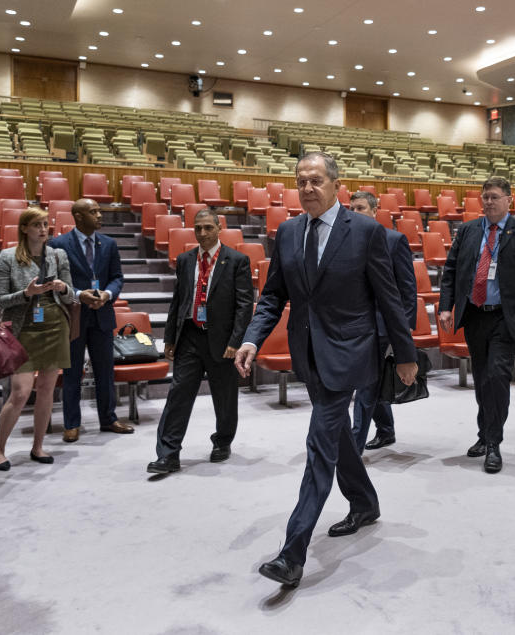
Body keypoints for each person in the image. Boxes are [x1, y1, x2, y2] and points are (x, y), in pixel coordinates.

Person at [234, 152, 418, 588]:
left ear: (337, 185)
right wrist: (250, 338)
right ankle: (365, 501)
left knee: (319, 443)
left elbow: (389, 299)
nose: (307, 188)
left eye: (316, 181)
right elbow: (274, 295)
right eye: (301, 182)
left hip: (351, 351)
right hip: (309, 353)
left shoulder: (368, 232)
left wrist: (406, 353)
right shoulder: (290, 231)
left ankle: (292, 553)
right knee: (336, 437)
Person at [438, 176, 515, 473]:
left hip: (505, 316)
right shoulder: (469, 230)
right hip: (475, 314)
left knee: (498, 376)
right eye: (485, 196)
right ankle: (483, 434)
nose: (488, 201)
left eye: (494, 196)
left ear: (508, 200)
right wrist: (446, 306)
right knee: (483, 377)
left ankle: (494, 443)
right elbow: (451, 270)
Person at [146, 209, 254, 473]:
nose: (203, 233)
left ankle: (222, 441)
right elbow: (178, 301)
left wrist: (236, 340)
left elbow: (244, 304)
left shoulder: (237, 260)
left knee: (225, 396)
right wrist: (170, 337)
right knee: (179, 394)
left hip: (222, 340)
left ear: (219, 227)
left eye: (208, 227)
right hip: (190, 336)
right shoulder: (185, 260)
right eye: (198, 229)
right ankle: (168, 454)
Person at [0, 208, 75, 469]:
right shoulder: (7, 257)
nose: (43, 229)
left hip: (54, 326)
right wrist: (26, 294)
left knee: (47, 390)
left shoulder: (57, 255)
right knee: (20, 393)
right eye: (37, 224)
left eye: (45, 224)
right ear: (24, 228)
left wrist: (63, 288)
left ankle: (38, 447)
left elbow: (71, 295)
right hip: (23, 329)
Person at [49, 198, 129, 441]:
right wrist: (77, 295)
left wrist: (107, 293)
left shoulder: (109, 243)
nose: (99, 215)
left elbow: (117, 277)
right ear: (78, 216)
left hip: (102, 314)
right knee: (72, 370)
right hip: (73, 315)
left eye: (99, 210)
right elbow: (52, 281)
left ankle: (109, 418)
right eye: (92, 212)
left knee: (106, 370)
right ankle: (71, 423)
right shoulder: (58, 244)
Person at [347, 191, 418, 453]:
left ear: (375, 211)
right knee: (371, 382)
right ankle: (386, 429)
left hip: (381, 327)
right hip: (351, 325)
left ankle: (353, 448)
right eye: (351, 208)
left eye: (361, 208)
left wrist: (403, 333)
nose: (355, 213)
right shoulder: (344, 241)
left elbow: (408, 290)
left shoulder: (394, 240)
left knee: (365, 387)